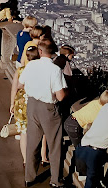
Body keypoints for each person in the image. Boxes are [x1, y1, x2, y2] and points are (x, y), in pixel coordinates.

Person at [18, 38, 68, 187]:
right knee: (54, 146)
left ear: (40, 51)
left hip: (32, 105)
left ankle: (29, 177)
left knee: (32, 143)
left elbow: (21, 83)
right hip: (48, 109)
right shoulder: (55, 70)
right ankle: (55, 180)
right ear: (52, 52)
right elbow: (60, 96)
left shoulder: (32, 65)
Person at [10, 46, 41, 167]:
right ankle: (35, 155)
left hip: (21, 104)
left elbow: (14, 88)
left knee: (23, 132)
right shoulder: (40, 72)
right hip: (35, 103)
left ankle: (25, 159)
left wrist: (12, 103)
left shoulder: (21, 70)